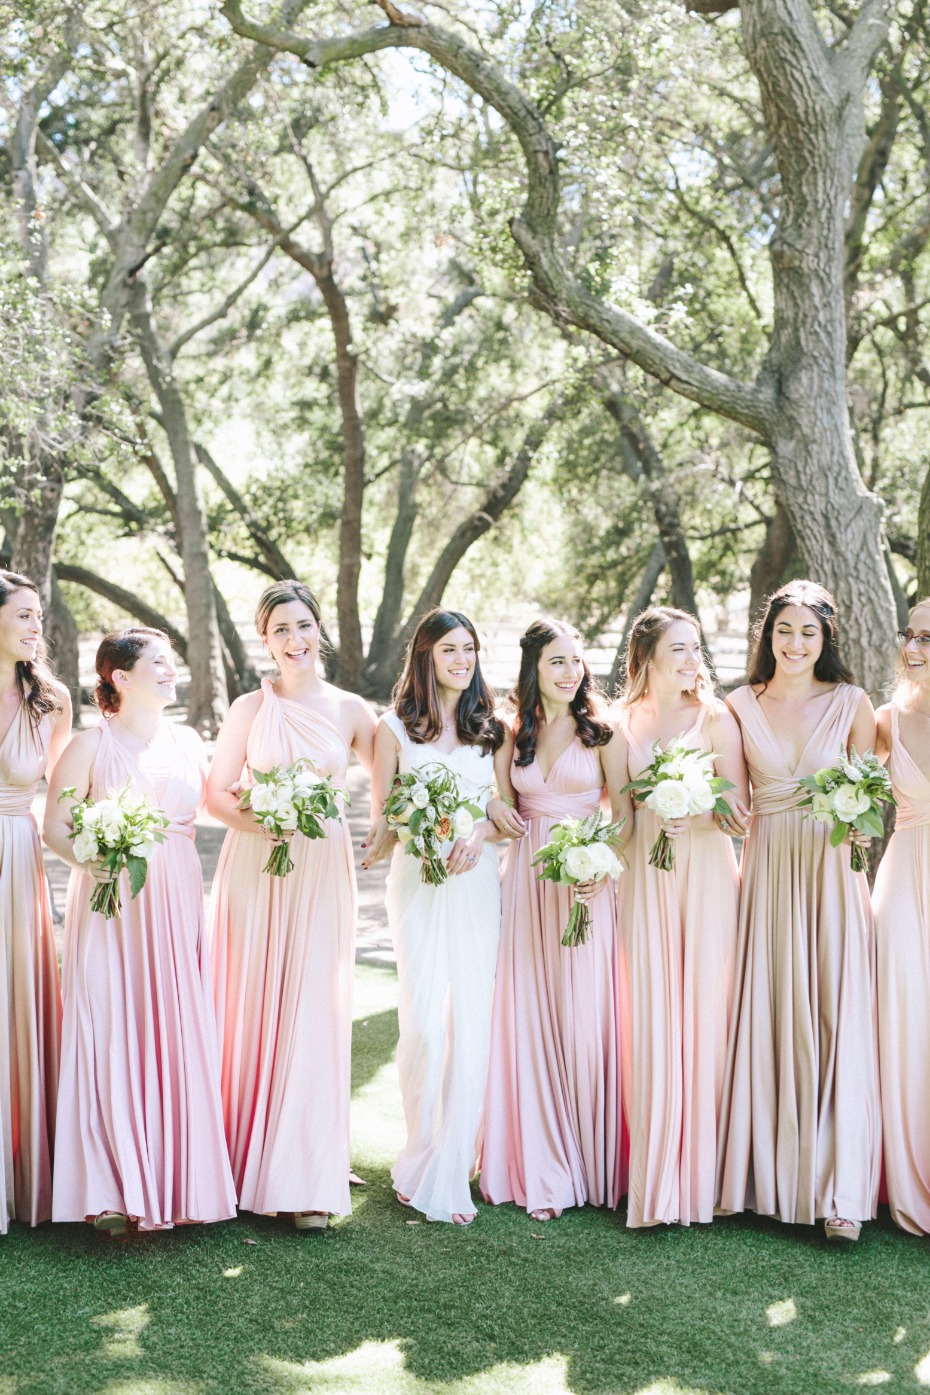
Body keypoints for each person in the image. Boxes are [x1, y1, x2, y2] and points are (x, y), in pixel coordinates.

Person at [47, 628, 235, 1235]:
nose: (170, 670)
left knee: (173, 1027)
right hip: (112, 901)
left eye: (171, 661)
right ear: (120, 678)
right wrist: (88, 859)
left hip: (176, 895)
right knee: (109, 1023)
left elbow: (216, 806)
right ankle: (105, 1186)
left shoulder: (185, 742)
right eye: (158, 662)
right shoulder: (89, 744)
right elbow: (55, 825)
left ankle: (179, 1180)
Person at [208, 581, 375, 1231]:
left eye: (303, 625)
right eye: (281, 629)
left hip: (322, 868)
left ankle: (307, 1170)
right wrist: (265, 823)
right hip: (258, 864)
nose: (295, 638)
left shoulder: (351, 709)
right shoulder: (250, 709)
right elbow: (217, 794)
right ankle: (247, 1153)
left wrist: (390, 826)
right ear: (265, 638)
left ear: (319, 630)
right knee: (254, 1003)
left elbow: (397, 766)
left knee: (313, 1003)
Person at [716, 581, 880, 1242]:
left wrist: (864, 826)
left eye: (808, 632)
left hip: (832, 870)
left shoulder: (853, 703)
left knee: (836, 1013)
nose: (795, 642)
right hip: (769, 869)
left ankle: (839, 1192)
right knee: (772, 1006)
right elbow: (730, 798)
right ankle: (761, 1176)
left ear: (825, 640)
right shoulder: (736, 705)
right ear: (768, 634)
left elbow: (868, 792)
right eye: (784, 629)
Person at [480, 618, 629, 1220]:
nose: (571, 673)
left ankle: (593, 1160)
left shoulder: (604, 733)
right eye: (557, 663)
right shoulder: (508, 732)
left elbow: (624, 813)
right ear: (534, 671)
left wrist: (602, 862)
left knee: (584, 1012)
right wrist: (493, 804)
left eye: (576, 661)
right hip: (525, 882)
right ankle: (538, 1154)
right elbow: (499, 811)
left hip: (585, 881)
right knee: (526, 1010)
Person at [362, 608, 506, 1225]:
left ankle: (453, 1165)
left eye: (468, 649)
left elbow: (501, 808)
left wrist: (476, 829)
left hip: (475, 887)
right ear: (424, 655)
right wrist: (385, 842)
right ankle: (419, 1154)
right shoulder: (392, 728)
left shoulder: (491, 727)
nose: (461, 660)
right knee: (423, 1019)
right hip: (419, 884)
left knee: (469, 1017)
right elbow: (386, 816)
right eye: (449, 649)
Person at [616, 606, 747, 1228]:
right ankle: (654, 1170)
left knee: (703, 1008)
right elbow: (619, 816)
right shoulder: (620, 726)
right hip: (647, 876)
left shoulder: (716, 718)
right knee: (652, 1010)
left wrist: (690, 810)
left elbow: (737, 809)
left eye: (697, 649)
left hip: (705, 876)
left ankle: (705, 1175)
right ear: (647, 657)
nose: (693, 660)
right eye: (680, 649)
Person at [0, 571, 70, 1235]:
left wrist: (94, 858)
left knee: (15, 1005)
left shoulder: (52, 702)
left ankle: (21, 1178)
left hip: (18, 861)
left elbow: (65, 802)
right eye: (23, 614)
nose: (35, 626)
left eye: (37, 616)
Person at [873, 599, 930, 1235]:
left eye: (927, 637)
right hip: (904, 873)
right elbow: (840, 784)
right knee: (904, 1019)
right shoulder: (885, 721)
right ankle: (902, 1178)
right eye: (907, 634)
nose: (911, 647)